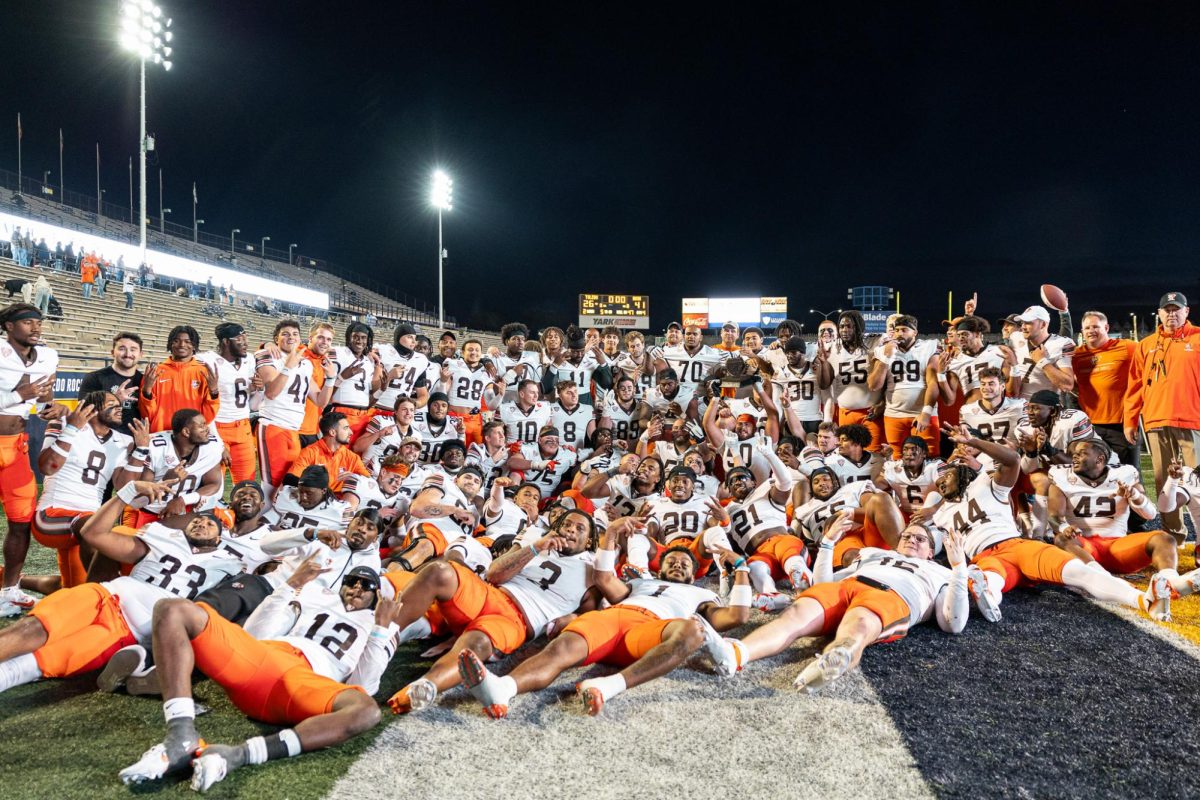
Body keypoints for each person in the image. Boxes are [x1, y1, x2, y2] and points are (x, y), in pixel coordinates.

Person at [118, 559, 394, 789]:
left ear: (376, 595)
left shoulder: (381, 625)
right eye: (351, 581)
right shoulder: (314, 600)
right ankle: (180, 735)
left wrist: (381, 628)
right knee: (172, 608)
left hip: (305, 681)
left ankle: (238, 755)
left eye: (366, 585)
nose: (357, 587)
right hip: (263, 660)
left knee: (366, 712)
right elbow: (255, 634)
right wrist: (291, 586)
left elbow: (364, 685)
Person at [458, 516, 751, 717]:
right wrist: (610, 533)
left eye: (685, 563)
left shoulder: (702, 595)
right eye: (671, 560)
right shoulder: (639, 583)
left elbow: (737, 616)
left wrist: (741, 568)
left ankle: (609, 686)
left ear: (695, 573)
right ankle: (503, 688)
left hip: (651, 630)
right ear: (659, 568)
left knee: (693, 631)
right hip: (615, 616)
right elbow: (602, 576)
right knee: (562, 649)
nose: (677, 565)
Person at [0, 481, 241, 697]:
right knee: (33, 630)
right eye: (197, 520)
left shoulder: (230, 564)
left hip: (128, 631)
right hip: (104, 596)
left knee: (48, 662)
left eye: (210, 523)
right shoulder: (162, 539)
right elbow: (93, 534)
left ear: (221, 538)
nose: (201, 523)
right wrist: (127, 492)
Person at [932, 425, 1172, 623]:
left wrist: (973, 441)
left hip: (1016, 544)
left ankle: (1142, 600)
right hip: (983, 556)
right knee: (993, 576)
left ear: (964, 475)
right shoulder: (940, 513)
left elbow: (1012, 459)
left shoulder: (985, 483)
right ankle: (989, 596)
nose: (941, 482)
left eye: (946, 475)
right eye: (939, 480)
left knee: (1078, 572)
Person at [705, 516, 969, 691]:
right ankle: (737, 653)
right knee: (795, 615)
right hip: (847, 585)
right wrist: (829, 543)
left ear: (932, 551)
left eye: (920, 539)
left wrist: (959, 568)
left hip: (891, 595)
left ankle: (836, 659)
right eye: (907, 536)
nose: (911, 540)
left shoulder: (941, 572)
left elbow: (952, 623)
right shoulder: (873, 553)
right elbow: (823, 581)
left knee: (860, 626)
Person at [384, 507, 598, 714]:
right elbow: (495, 574)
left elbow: (589, 618)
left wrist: (570, 617)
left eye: (580, 528)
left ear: (589, 540)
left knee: (476, 645)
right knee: (439, 571)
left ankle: (424, 687)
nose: (571, 530)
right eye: (567, 524)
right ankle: (383, 637)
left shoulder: (593, 573)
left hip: (518, 621)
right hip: (491, 593)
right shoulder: (536, 540)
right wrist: (535, 547)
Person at [1049, 439, 1198, 619]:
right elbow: (1054, 517)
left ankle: (1171, 583)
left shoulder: (1124, 474)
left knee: (1164, 539)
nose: (1075, 456)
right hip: (1083, 547)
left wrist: (1133, 494)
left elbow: (1150, 514)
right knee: (1061, 538)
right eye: (1075, 453)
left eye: (1082, 453)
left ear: (1100, 459)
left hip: (1117, 547)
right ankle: (1107, 580)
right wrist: (1065, 527)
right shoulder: (1061, 476)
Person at [0, 303, 63, 616]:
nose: (36, 328)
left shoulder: (49, 356)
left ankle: (8, 590)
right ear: (9, 327)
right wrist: (18, 395)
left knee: (21, 521)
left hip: (17, 448)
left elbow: (42, 401)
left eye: (38, 323)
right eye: (27, 323)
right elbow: (21, 395)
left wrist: (49, 406)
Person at [1124, 291, 1200, 539]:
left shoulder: (1198, 338)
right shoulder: (1146, 345)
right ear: (1159, 313)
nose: (1172, 314)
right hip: (1156, 421)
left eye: (1176, 309)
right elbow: (1134, 386)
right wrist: (1130, 420)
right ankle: (1173, 536)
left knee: (1196, 484)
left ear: (1186, 311)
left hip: (1193, 420)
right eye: (1167, 310)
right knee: (1164, 482)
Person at [255, 319, 337, 496]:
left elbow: (320, 401)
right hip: (273, 425)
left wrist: (330, 379)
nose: (290, 337)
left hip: (294, 429)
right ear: (276, 338)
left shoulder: (305, 363)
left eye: (294, 334)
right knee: (271, 485)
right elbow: (271, 393)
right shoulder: (267, 355)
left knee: (290, 483)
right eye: (285, 334)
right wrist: (287, 368)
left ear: (301, 339)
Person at [867, 314, 941, 456]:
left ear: (915, 332)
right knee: (897, 459)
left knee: (929, 457)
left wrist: (926, 412)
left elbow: (933, 382)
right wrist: (886, 356)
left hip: (922, 413)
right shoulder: (882, 351)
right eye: (897, 330)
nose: (900, 333)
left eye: (904, 330)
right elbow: (874, 385)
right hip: (894, 413)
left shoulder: (928, 347)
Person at [1072, 311, 1138, 466]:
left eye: (1096, 326)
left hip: (1120, 424)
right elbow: (1071, 382)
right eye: (1087, 328)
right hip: (1089, 426)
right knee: (1095, 473)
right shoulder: (1076, 355)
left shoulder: (1127, 347)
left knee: (1129, 472)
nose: (1091, 331)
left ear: (1106, 327)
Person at [196, 323, 258, 483]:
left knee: (247, 483)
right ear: (225, 341)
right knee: (214, 483)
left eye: (245, 337)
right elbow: (203, 403)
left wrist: (258, 388)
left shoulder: (249, 359)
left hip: (243, 427)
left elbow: (250, 396)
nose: (245, 342)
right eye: (239, 338)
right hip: (218, 427)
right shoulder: (207, 360)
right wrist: (217, 442)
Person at [817, 310, 884, 451]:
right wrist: (823, 362)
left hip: (870, 412)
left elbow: (887, 378)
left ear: (859, 327)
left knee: (873, 454)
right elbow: (824, 384)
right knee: (848, 454)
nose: (844, 330)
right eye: (841, 326)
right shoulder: (833, 347)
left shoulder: (874, 342)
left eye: (849, 326)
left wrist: (883, 402)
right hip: (846, 412)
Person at [138, 325, 220, 433]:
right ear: (170, 344)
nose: (182, 345)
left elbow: (208, 415)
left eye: (188, 342)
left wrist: (214, 392)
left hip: (192, 434)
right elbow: (146, 414)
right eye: (176, 341)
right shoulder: (155, 372)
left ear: (194, 346)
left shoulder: (203, 372)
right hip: (161, 433)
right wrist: (146, 391)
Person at [287, 411, 371, 493]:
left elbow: (370, 484)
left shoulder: (353, 458)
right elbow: (291, 479)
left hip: (342, 504)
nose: (351, 432)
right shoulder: (309, 453)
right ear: (332, 432)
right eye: (346, 428)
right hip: (315, 501)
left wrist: (355, 477)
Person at [79, 332, 144, 434]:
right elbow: (83, 413)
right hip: (101, 440)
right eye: (122, 349)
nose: (128, 354)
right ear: (113, 352)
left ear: (141, 354)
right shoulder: (94, 377)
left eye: (133, 350)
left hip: (134, 441)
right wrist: (116, 399)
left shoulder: (145, 381)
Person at [1009, 305, 1075, 401]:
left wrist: (1043, 362)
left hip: (1044, 409)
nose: (1023, 327)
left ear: (1043, 325)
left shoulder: (1061, 344)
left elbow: (1067, 385)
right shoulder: (1015, 338)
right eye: (1022, 323)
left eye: (1028, 323)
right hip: (1017, 407)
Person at [329, 322, 382, 441]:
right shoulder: (339, 352)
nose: (359, 341)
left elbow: (370, 394)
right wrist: (342, 377)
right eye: (355, 337)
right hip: (343, 411)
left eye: (363, 338)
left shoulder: (369, 361)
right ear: (349, 337)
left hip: (363, 415)